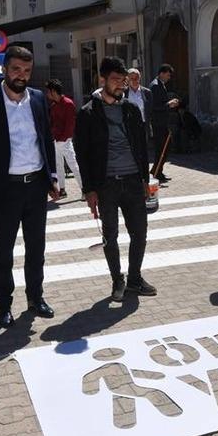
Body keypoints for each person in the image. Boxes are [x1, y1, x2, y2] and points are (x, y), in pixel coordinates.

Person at [0, 46, 59, 328]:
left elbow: (46, 139)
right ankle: (4, 305)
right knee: (4, 250)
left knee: (36, 249)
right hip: (4, 189)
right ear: (5, 69)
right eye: (16, 69)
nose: (22, 76)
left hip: (35, 187)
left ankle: (36, 298)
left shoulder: (39, 99)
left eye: (27, 71)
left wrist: (52, 177)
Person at [75, 57, 156, 302]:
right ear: (102, 80)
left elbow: (141, 147)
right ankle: (117, 281)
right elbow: (82, 154)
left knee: (139, 233)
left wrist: (146, 178)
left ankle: (134, 278)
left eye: (123, 80)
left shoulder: (130, 110)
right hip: (106, 184)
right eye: (116, 80)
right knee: (110, 236)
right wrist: (88, 189)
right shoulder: (88, 113)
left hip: (133, 181)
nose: (121, 85)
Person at [44, 79, 81, 199]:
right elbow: (53, 123)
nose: (47, 94)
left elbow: (70, 124)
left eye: (48, 92)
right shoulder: (54, 105)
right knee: (58, 165)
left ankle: (84, 189)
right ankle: (62, 189)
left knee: (73, 165)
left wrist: (63, 138)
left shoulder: (68, 103)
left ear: (54, 91)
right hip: (56, 140)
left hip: (64, 140)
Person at [149, 64, 179, 183]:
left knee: (165, 147)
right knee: (161, 148)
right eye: (167, 75)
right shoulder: (155, 86)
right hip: (158, 123)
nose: (169, 77)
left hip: (162, 121)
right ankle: (156, 171)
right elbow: (155, 106)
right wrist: (169, 104)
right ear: (162, 73)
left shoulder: (160, 85)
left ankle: (157, 170)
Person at [125, 68, 153, 138]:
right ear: (127, 80)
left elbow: (150, 110)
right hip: (129, 126)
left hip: (143, 125)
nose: (135, 81)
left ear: (140, 78)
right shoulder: (123, 93)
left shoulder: (147, 92)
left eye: (136, 78)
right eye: (132, 78)